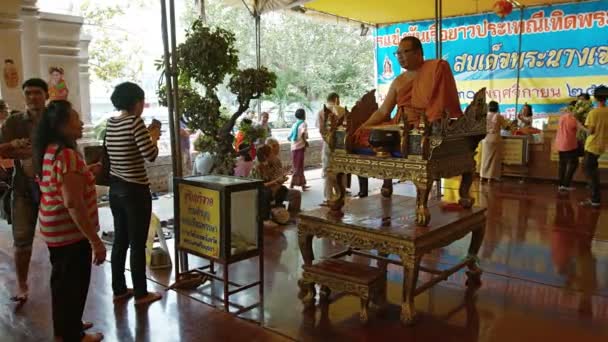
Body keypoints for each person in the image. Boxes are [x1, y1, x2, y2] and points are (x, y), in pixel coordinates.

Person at [33, 100, 105, 342]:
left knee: (62, 282)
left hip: (53, 228)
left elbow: (63, 183)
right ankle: (74, 335)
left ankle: (66, 326)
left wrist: (87, 172)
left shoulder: (49, 150)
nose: (82, 122)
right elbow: (73, 203)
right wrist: (95, 241)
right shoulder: (67, 155)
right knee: (73, 283)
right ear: (62, 125)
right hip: (69, 232)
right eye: (76, 118)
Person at [106, 82, 162, 305]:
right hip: (135, 190)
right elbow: (150, 155)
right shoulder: (134, 122)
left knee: (120, 240)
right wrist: (155, 136)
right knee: (138, 243)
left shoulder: (112, 123)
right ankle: (141, 293)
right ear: (136, 102)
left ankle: (119, 289)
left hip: (116, 189)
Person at [354, 36, 463, 146]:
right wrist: (364, 126)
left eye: (404, 52)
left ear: (418, 53)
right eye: (398, 54)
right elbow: (384, 111)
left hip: (426, 126)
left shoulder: (436, 69)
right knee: (365, 134)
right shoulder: (399, 81)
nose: (400, 57)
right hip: (400, 127)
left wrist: (427, 125)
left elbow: (440, 106)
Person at [0, 78, 48, 304]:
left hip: (53, 187)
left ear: (46, 95)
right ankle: (22, 285)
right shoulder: (14, 122)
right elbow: (3, 151)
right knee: (21, 239)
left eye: (37, 93)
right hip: (23, 186)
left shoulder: (55, 120)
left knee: (61, 241)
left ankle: (61, 285)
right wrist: (13, 147)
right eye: (28, 93)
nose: (32, 97)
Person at [579, 86, 608, 208]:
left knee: (589, 173)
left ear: (595, 98)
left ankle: (595, 199)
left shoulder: (593, 112)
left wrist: (579, 125)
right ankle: (594, 198)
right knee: (593, 171)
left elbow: (590, 131)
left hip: (591, 146)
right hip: (601, 146)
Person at [251, 145, 288, 227]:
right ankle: (265, 219)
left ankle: (276, 208)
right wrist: (276, 181)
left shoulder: (269, 163)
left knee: (283, 189)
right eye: (271, 152)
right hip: (256, 189)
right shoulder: (257, 166)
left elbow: (271, 178)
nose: (273, 154)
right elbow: (260, 184)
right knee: (266, 193)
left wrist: (280, 180)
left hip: (267, 186)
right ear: (265, 155)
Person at [266, 138, 301, 212]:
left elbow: (279, 176)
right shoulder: (263, 163)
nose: (278, 149)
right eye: (277, 146)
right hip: (268, 191)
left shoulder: (276, 160)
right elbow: (267, 182)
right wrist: (279, 180)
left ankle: (292, 216)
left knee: (296, 194)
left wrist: (284, 174)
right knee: (295, 195)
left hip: (277, 188)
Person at [555, 104, 582, 192]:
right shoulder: (572, 118)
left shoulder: (561, 117)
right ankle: (566, 184)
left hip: (560, 144)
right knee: (573, 163)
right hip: (569, 144)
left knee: (562, 165)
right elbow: (580, 128)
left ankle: (561, 185)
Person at [480, 101, 508, 182]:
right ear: (497, 107)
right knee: (494, 159)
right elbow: (506, 127)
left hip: (485, 139)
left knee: (485, 159)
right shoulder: (499, 116)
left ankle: (482, 177)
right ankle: (490, 177)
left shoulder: (485, 116)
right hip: (495, 138)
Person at [288, 108, 309, 190]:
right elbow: (303, 133)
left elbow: (289, 137)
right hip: (299, 147)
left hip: (294, 147)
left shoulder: (295, 124)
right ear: (304, 115)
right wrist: (305, 142)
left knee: (298, 166)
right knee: (298, 166)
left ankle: (302, 184)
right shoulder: (303, 124)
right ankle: (292, 184)